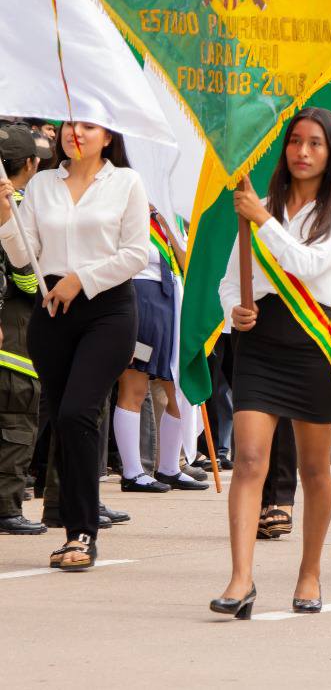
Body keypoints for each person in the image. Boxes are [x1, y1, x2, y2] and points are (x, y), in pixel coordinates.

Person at [212, 108, 331, 617]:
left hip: (313, 345)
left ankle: (310, 573)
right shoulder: (260, 204)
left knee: (314, 468)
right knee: (249, 459)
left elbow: (307, 264)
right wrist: (233, 310)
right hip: (259, 345)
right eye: (295, 141)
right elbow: (231, 279)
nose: (302, 152)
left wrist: (263, 221)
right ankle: (240, 579)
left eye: (315, 143)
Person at [0, 122, 149, 569]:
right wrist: (6, 217)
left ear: (108, 136)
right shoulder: (43, 183)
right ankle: (70, 529)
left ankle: (83, 533)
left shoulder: (126, 182)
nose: (75, 132)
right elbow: (24, 255)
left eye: (87, 125)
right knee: (65, 423)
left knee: (77, 413)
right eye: (69, 124)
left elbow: (136, 253)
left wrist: (80, 279)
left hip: (108, 311)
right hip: (51, 313)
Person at [115, 207, 204, 493]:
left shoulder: (172, 215)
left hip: (171, 305)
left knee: (178, 388)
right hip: (138, 304)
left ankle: (169, 467)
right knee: (135, 385)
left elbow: (188, 263)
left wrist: (168, 226)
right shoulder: (126, 209)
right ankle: (132, 472)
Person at [0, 124, 52, 534]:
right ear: (31, 164)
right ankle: (6, 507)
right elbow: (30, 281)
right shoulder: (17, 208)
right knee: (16, 421)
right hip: (13, 336)